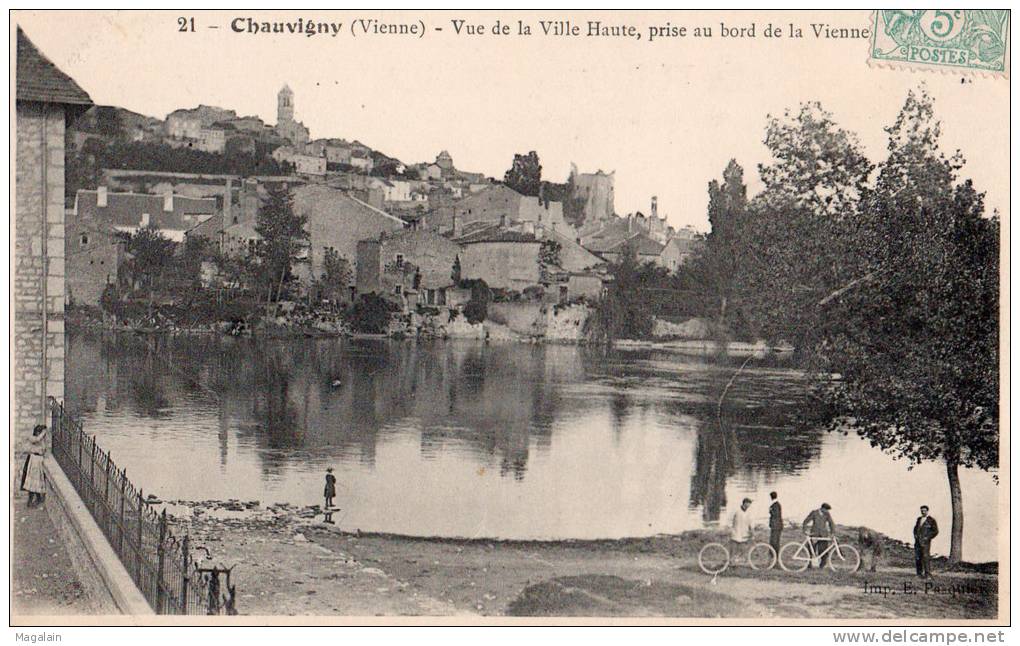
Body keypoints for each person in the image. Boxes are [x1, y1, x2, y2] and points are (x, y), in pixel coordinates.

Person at [20, 424, 48, 508]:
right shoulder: (33, 438)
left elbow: (43, 449)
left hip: (39, 461)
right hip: (34, 461)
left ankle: (38, 499)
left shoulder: (41, 441)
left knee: (37, 482)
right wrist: (44, 432)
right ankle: (30, 501)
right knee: (32, 482)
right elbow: (36, 439)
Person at [802, 502, 836, 567]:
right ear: (822, 508)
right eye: (826, 510)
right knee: (811, 549)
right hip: (814, 533)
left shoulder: (827, 514)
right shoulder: (814, 512)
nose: (826, 511)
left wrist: (832, 533)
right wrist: (805, 530)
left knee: (823, 550)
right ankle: (809, 563)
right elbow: (806, 521)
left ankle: (822, 564)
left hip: (823, 534)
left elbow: (831, 523)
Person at [913, 505, 939, 579]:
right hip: (917, 542)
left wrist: (927, 537)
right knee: (918, 557)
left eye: (924, 510)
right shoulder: (919, 519)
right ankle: (919, 574)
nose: (923, 512)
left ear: (927, 511)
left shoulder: (931, 520)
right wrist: (915, 535)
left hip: (925, 543)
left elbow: (935, 531)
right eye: (922, 510)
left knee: (925, 557)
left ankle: (927, 574)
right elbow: (915, 529)